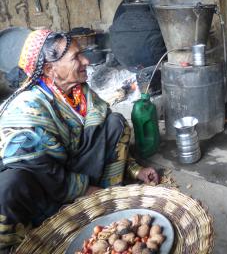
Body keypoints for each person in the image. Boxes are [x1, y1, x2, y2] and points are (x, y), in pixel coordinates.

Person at [0, 29, 159, 250]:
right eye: (76, 57)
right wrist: (83, 189)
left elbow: (104, 136)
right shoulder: (28, 107)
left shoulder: (79, 91)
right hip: (43, 184)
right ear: (49, 69)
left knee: (115, 123)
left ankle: (105, 202)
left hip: (70, 168)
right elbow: (39, 168)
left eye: (82, 53)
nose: (86, 61)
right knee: (9, 187)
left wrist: (134, 169)